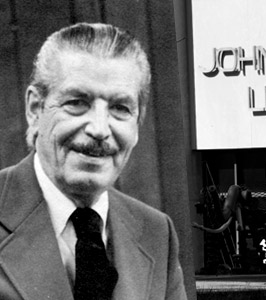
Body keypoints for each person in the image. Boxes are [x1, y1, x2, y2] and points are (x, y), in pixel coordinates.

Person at [0, 23, 187, 299]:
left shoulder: (158, 233)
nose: (99, 129)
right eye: (77, 102)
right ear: (35, 109)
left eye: (120, 108)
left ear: (137, 124)